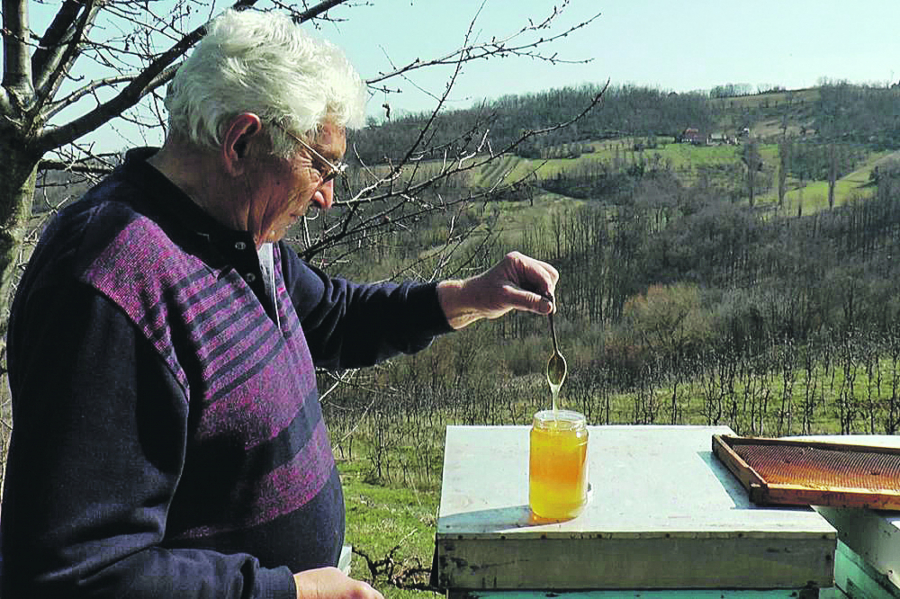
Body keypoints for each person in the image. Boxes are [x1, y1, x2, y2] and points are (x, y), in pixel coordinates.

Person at [0, 8, 558, 599]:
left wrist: (467, 298)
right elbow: (71, 575)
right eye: (319, 166)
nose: (325, 198)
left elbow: (333, 315)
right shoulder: (109, 289)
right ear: (241, 142)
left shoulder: (235, 235)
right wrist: (287, 592)